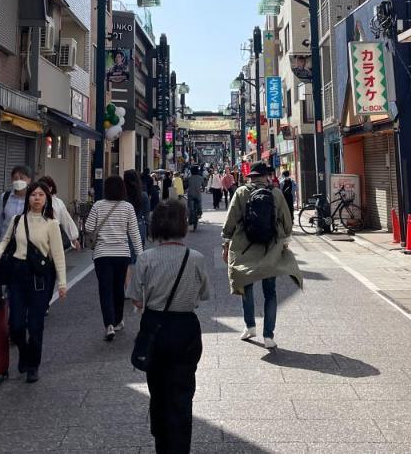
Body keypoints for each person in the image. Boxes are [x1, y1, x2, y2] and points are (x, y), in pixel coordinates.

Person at [126, 200, 210, 454]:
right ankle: (180, 446)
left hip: (155, 327)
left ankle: (162, 444)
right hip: (186, 328)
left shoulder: (145, 259)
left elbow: (135, 297)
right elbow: (204, 294)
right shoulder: (195, 258)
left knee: (158, 390)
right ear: (183, 225)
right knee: (183, 392)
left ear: (156, 226)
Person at [0, 182, 67, 382]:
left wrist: (62, 283)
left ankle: (33, 365)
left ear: (46, 199)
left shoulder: (51, 224)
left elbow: (58, 255)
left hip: (39, 277)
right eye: (33, 195)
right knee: (15, 325)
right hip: (17, 275)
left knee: (35, 325)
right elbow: (5, 241)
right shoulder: (17, 220)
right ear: (28, 198)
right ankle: (24, 352)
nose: (37, 198)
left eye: (41, 195)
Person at [222, 162, 302, 350]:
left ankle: (250, 326)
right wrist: (285, 241)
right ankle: (268, 336)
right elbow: (287, 221)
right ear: (267, 177)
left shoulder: (241, 192)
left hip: (244, 247)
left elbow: (230, 220)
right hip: (270, 248)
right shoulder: (276, 193)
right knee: (270, 292)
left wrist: (225, 244)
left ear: (251, 177)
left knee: (245, 286)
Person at [83, 175, 144, 341]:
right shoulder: (127, 207)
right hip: (122, 254)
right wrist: (140, 254)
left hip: (102, 255)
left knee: (105, 289)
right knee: (118, 288)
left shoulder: (98, 205)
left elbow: (88, 227)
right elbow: (134, 233)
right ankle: (118, 320)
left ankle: (108, 324)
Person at [0, 165, 31, 256]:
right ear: (11, 180)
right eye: (15, 178)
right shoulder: (5, 197)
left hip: (27, 249)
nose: (18, 181)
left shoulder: (34, 199)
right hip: (5, 247)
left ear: (29, 180)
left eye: (22, 178)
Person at [37, 175, 79, 250]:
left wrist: (74, 238)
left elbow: (66, 221)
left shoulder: (57, 203)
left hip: (54, 240)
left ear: (50, 188)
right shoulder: (35, 201)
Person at [124, 168, 151, 250]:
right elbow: (147, 216)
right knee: (138, 253)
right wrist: (148, 232)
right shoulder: (143, 195)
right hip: (139, 225)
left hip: (124, 226)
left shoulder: (122, 196)